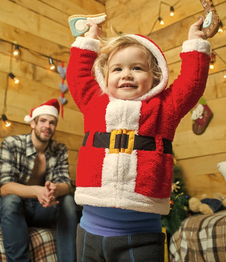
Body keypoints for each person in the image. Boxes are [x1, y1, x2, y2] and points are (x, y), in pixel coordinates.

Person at [66, 17, 210, 262]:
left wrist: (195, 45)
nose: (127, 75)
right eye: (118, 69)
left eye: (137, 68)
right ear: (105, 75)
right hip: (89, 231)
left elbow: (191, 84)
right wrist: (89, 40)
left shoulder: (165, 109)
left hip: (140, 236)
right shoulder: (94, 103)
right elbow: (78, 78)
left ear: (155, 76)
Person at [0, 99, 77, 262]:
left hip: (41, 209)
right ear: (33, 123)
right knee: (10, 200)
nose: (47, 126)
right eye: (43, 121)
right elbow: (5, 187)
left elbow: (67, 184)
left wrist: (54, 189)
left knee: (67, 200)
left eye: (52, 122)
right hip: (14, 210)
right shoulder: (12, 144)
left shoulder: (59, 150)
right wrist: (37, 191)